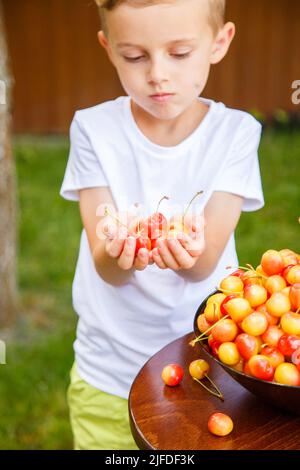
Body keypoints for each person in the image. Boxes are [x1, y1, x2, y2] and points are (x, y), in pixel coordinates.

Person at [60, 0, 264, 450]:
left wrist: (185, 256)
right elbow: (107, 268)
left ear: (219, 43)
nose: (157, 74)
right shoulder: (93, 129)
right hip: (107, 370)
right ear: (108, 48)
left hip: (199, 364)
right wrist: (119, 254)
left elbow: (203, 263)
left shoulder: (236, 133)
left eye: (179, 53)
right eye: (134, 56)